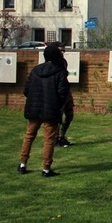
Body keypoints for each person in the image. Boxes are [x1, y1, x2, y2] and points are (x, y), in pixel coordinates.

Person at [18, 43, 70, 177]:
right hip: (51, 110)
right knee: (48, 139)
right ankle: (46, 168)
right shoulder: (59, 72)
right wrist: (58, 105)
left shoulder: (35, 70)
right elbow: (63, 93)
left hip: (34, 109)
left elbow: (26, 90)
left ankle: (23, 164)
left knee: (29, 136)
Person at [55, 43, 75, 147]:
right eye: (60, 51)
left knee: (69, 115)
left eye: (64, 51)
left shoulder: (63, 62)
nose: (62, 53)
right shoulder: (52, 63)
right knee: (58, 117)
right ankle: (55, 138)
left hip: (66, 92)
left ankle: (62, 136)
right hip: (58, 94)